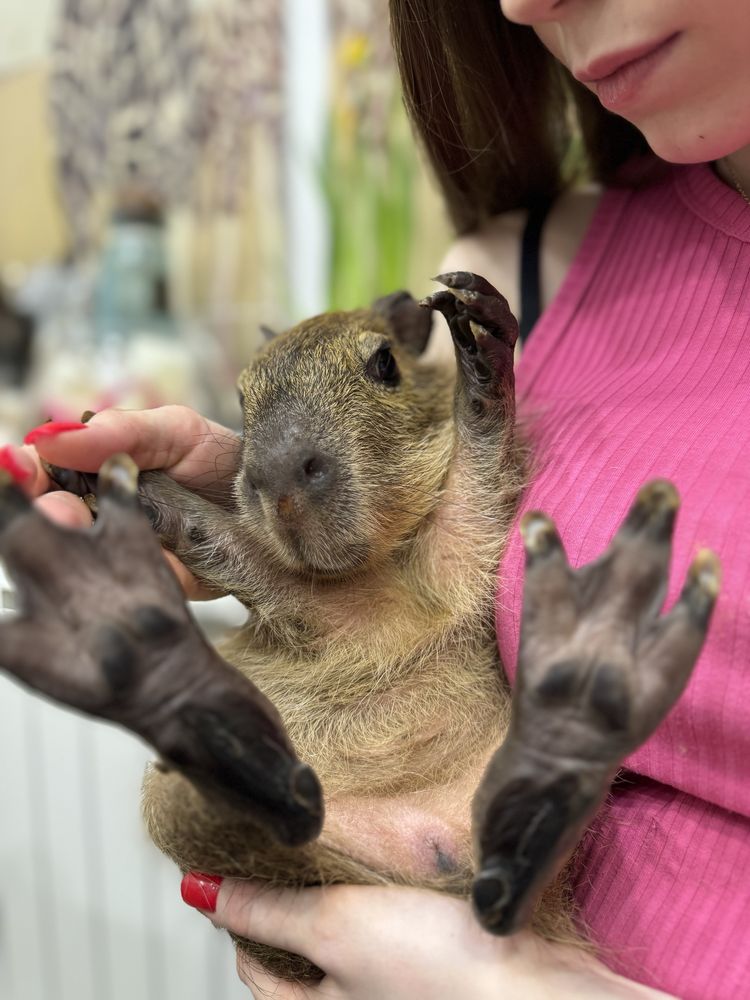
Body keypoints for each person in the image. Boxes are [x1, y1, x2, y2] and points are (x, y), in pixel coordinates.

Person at [5, 0, 750, 996]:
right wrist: (169, 511)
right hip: (342, 820)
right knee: (179, 804)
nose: (524, 4)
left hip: (485, 834)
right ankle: (226, 728)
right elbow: (443, 538)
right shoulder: (521, 264)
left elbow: (458, 526)